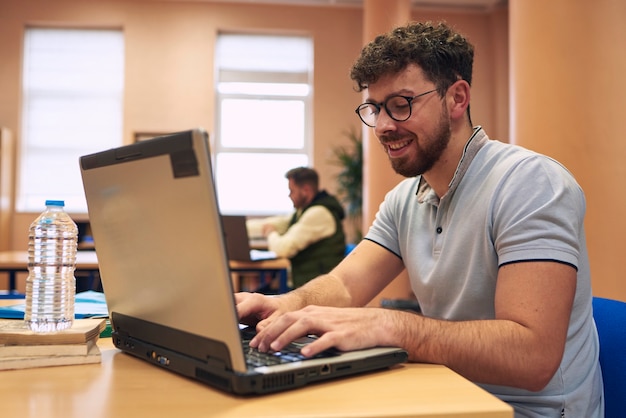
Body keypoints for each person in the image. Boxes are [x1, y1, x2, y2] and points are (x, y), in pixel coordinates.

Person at [236, 21, 603, 417]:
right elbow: (344, 285)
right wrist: (284, 306)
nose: (382, 126)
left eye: (401, 104)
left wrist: (393, 326)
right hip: (449, 394)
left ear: (457, 98)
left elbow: (532, 357)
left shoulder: (530, 183)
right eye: (374, 108)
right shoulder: (405, 198)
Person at [246, 167, 346, 288]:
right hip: (305, 283)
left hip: (316, 288)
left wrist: (270, 233)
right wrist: (240, 227)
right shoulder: (303, 212)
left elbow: (283, 249)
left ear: (305, 190)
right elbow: (279, 223)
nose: (289, 195)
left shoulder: (318, 214)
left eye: (291, 191)